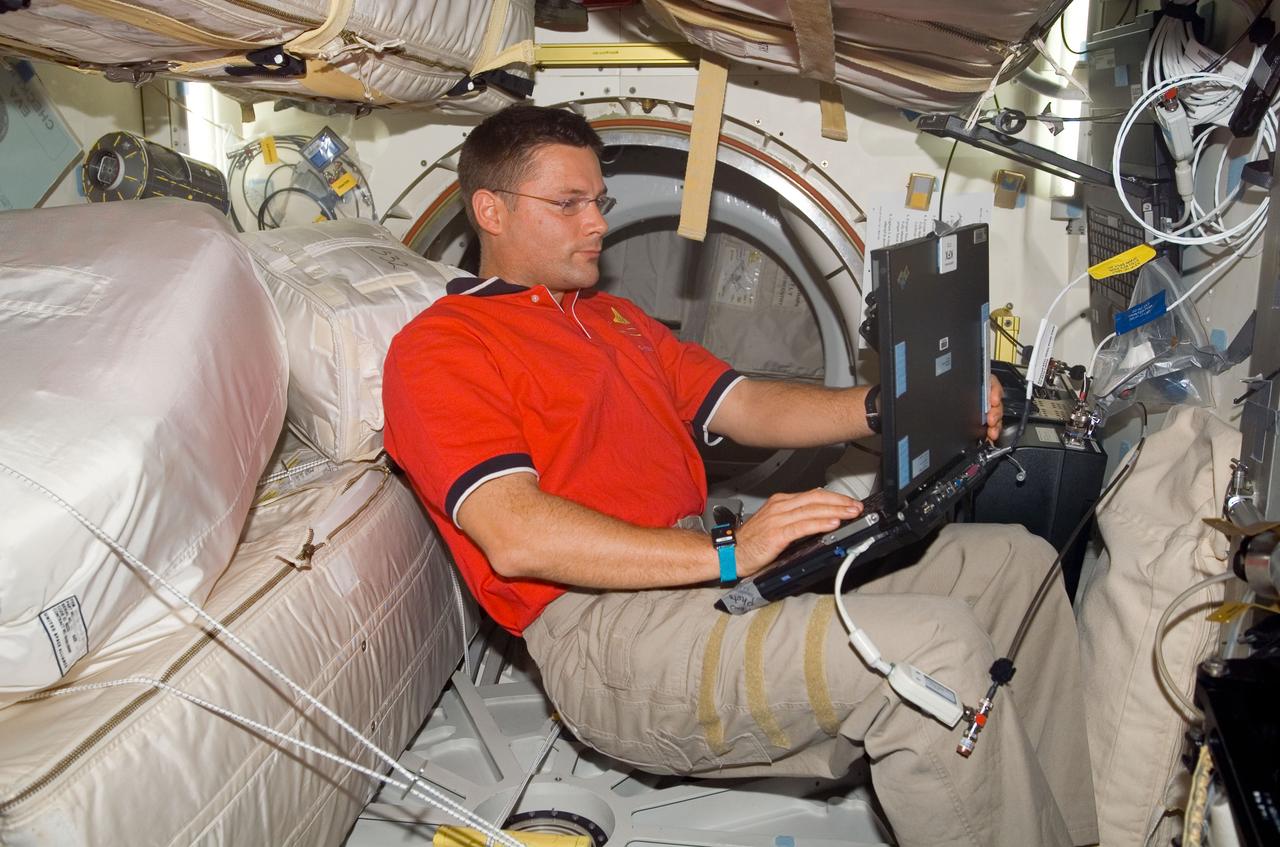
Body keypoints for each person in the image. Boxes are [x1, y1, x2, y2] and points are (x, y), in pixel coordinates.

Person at [383, 104, 1099, 846]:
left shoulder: (614, 321)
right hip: (610, 633)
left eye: (599, 201)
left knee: (1018, 563)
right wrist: (726, 553)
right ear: (490, 210)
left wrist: (895, 404)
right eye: (568, 204)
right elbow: (515, 533)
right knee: (935, 647)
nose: (596, 223)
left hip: (706, 583)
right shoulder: (442, 347)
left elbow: (749, 402)